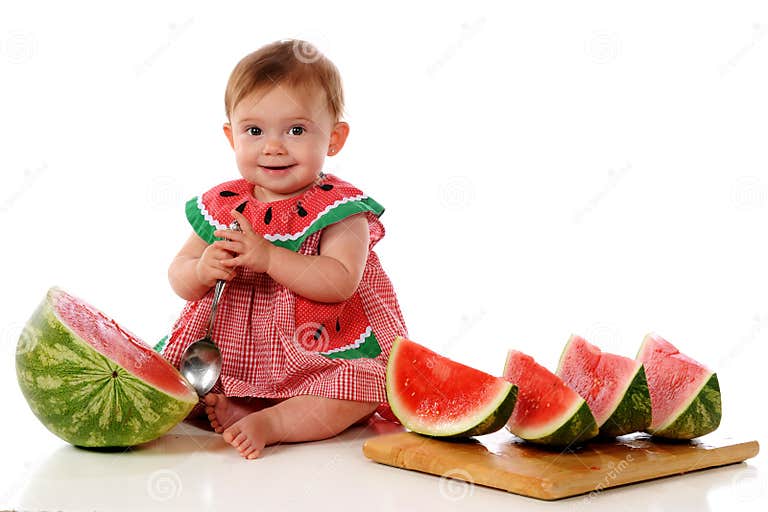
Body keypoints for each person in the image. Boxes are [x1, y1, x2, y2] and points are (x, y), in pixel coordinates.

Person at [155, 39, 407, 460]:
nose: (273, 146)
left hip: (318, 353)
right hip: (231, 356)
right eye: (254, 131)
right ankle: (237, 406)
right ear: (230, 136)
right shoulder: (223, 205)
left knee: (365, 388)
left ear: (335, 138)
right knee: (179, 384)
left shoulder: (342, 210)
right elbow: (178, 274)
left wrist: (269, 257)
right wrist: (200, 269)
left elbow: (340, 281)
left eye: (296, 130)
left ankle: (275, 422)